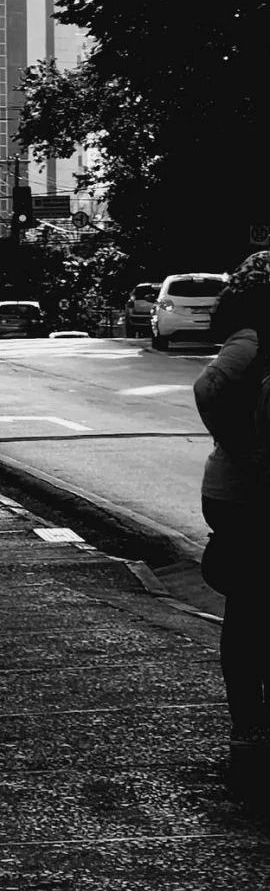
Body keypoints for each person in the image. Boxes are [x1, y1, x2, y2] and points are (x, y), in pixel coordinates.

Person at [193, 252, 270, 771]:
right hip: (247, 497)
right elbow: (209, 389)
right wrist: (245, 448)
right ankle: (249, 732)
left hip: (239, 492)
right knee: (248, 614)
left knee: (248, 615)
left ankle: (251, 733)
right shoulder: (253, 341)